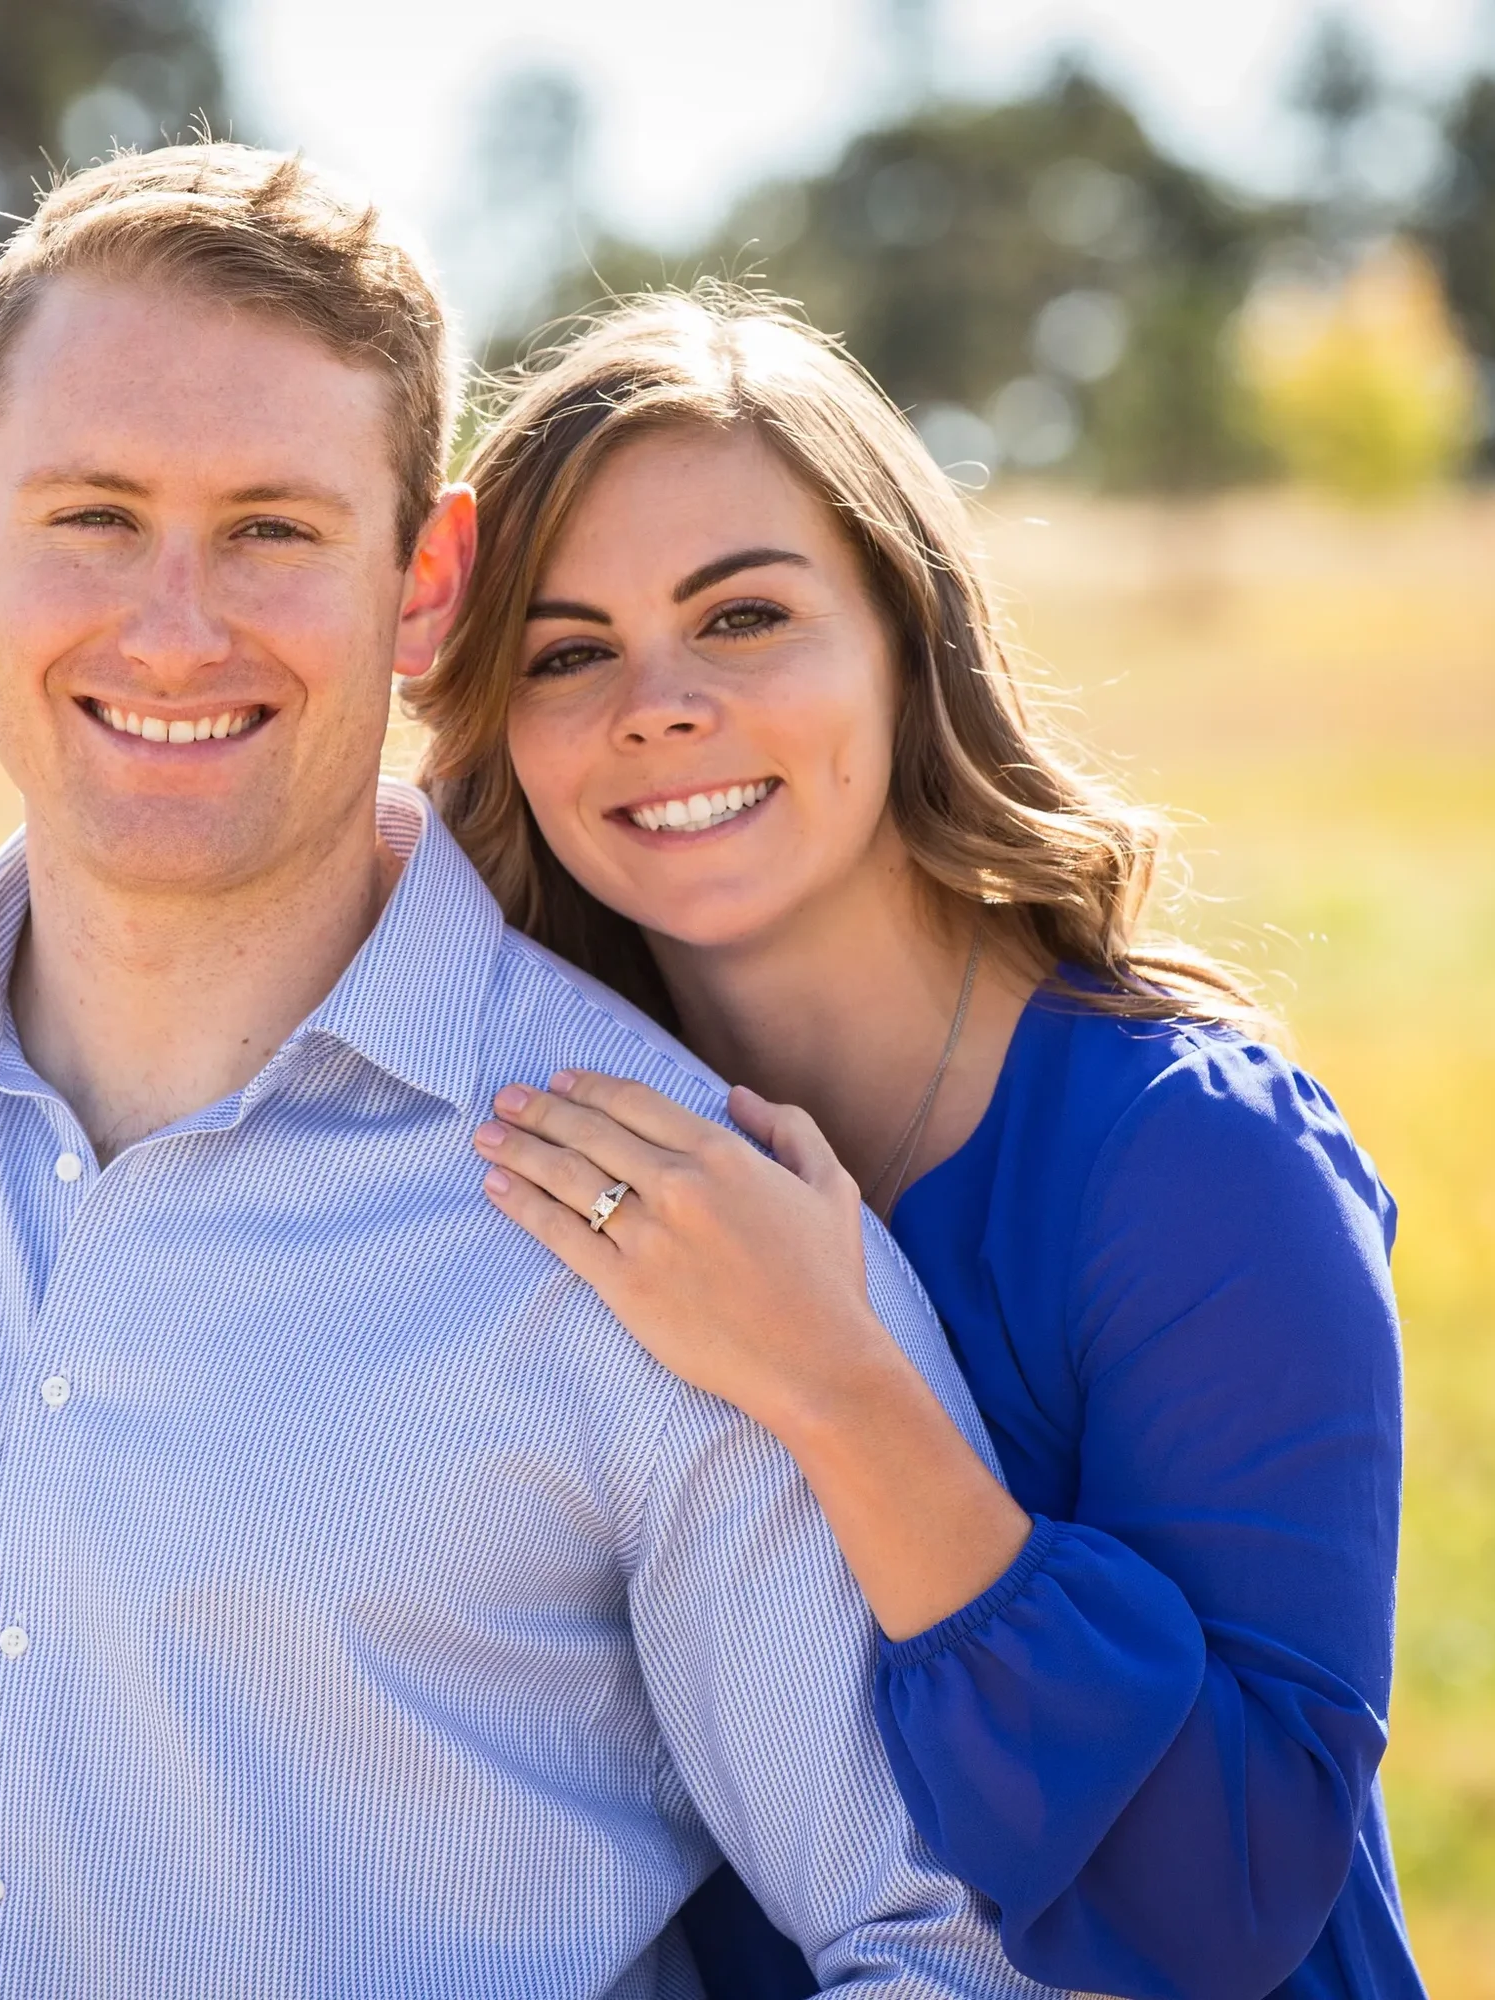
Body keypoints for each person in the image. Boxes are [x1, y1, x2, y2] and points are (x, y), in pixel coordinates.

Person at [0, 149, 1064, 1998]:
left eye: (271, 529)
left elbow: (952, 1948)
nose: (175, 627)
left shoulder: (673, 1231)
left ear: (426, 585)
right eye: (92, 514)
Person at [417, 289, 1425, 2000]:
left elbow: (1227, 1902)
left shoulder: (1196, 1166)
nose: (656, 706)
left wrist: (834, 1377)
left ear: (906, 635)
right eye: (566, 651)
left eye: (741, 617)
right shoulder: (532, 1155)